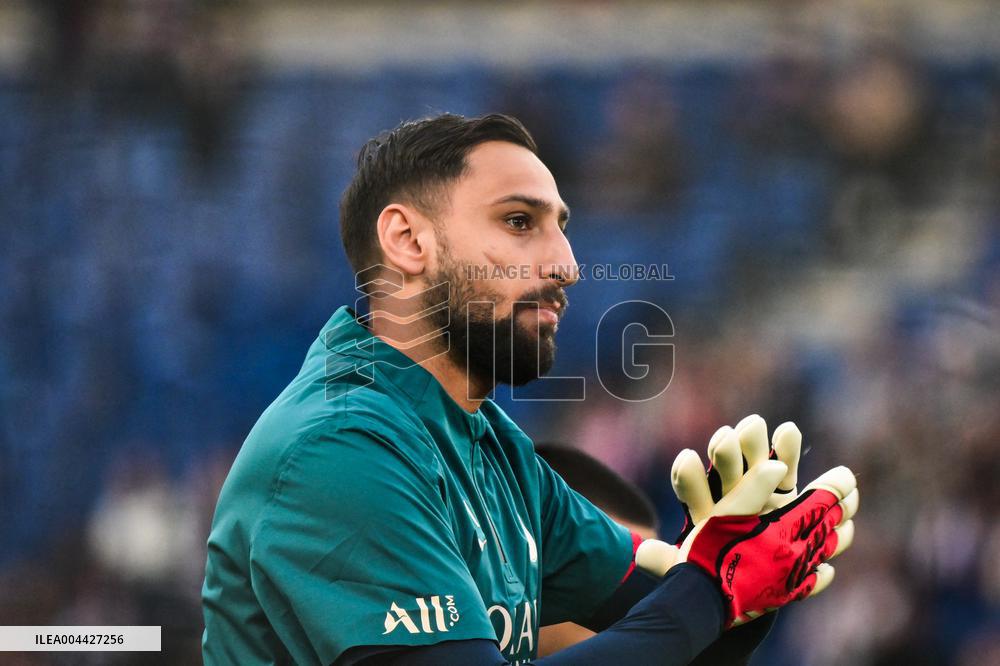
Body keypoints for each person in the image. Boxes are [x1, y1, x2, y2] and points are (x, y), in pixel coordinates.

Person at [201, 113, 853, 665]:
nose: (566, 264)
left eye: (561, 226)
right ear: (407, 240)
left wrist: (743, 575)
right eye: (519, 222)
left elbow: (671, 629)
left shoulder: (492, 447)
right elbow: (682, 613)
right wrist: (713, 590)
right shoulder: (337, 449)